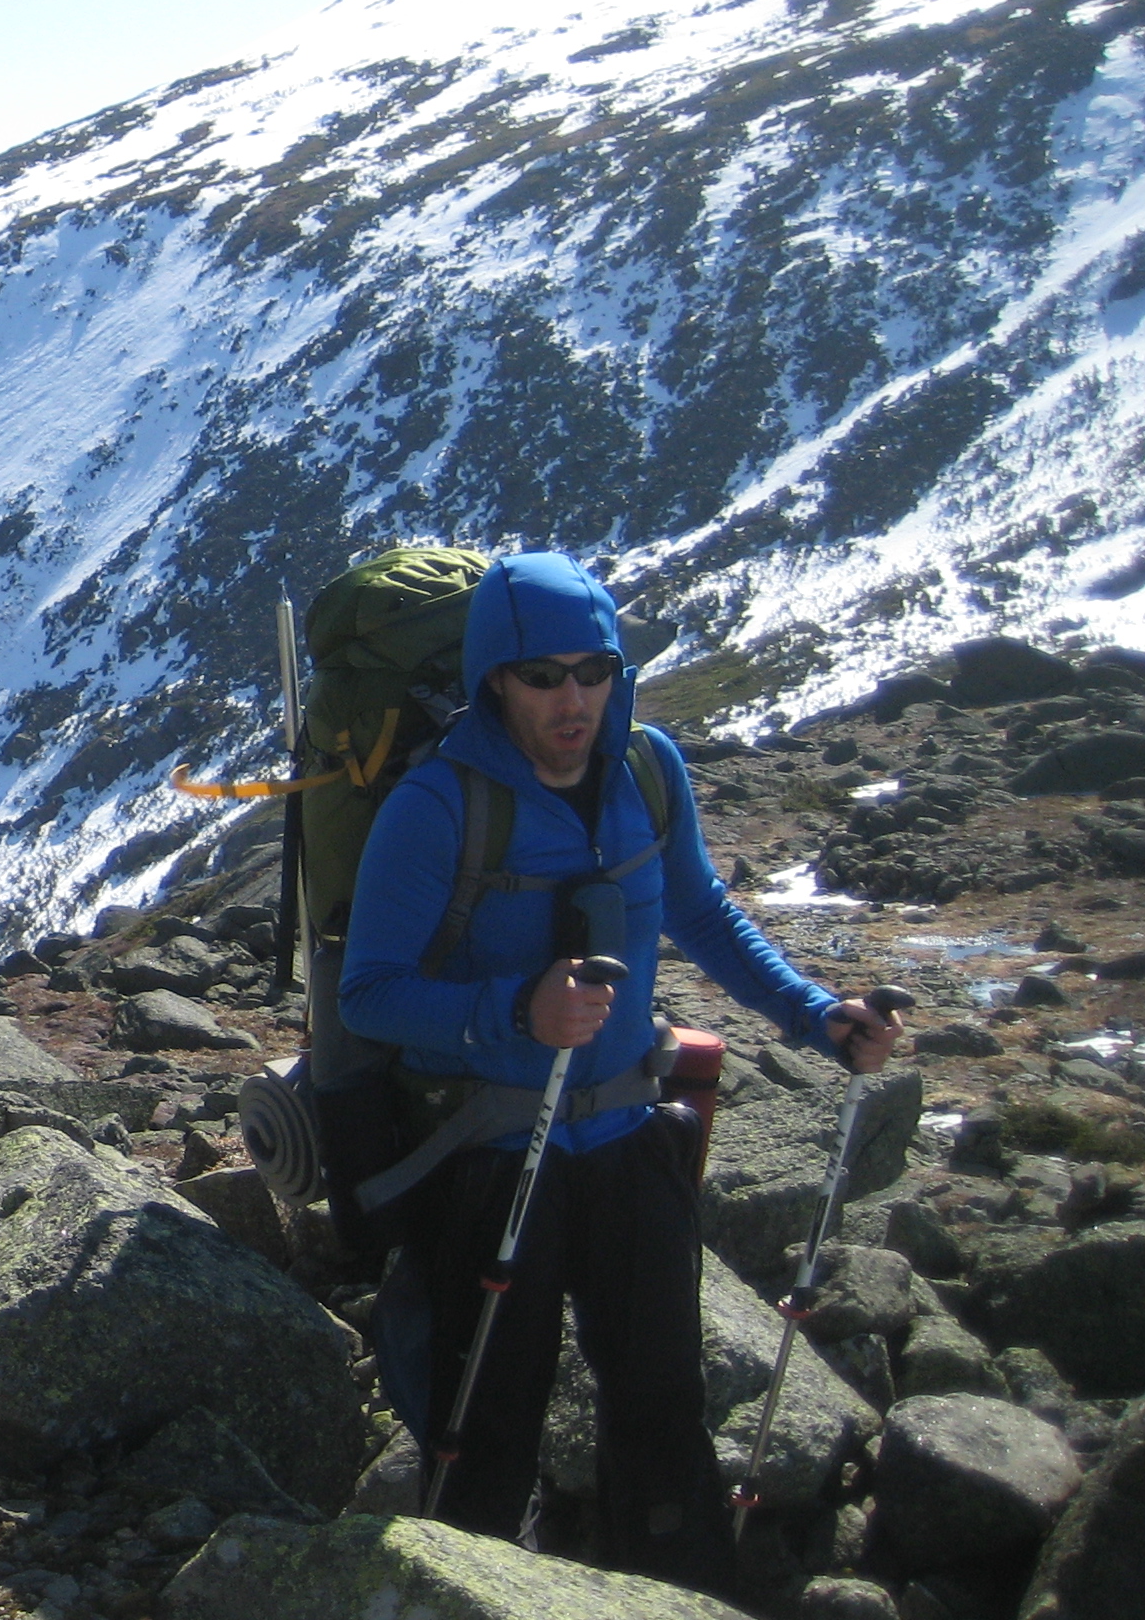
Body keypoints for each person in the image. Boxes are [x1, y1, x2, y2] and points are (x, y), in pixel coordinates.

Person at [338, 551, 903, 1592]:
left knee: (663, 1407)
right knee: (488, 1424)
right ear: (495, 678)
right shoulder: (437, 805)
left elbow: (702, 913)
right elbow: (367, 994)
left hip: (631, 1137)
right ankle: (472, 1592)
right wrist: (517, 1011)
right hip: (492, 1154)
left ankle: (683, 1594)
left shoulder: (648, 770)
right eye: (543, 676)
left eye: (593, 671)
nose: (573, 699)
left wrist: (816, 1013)